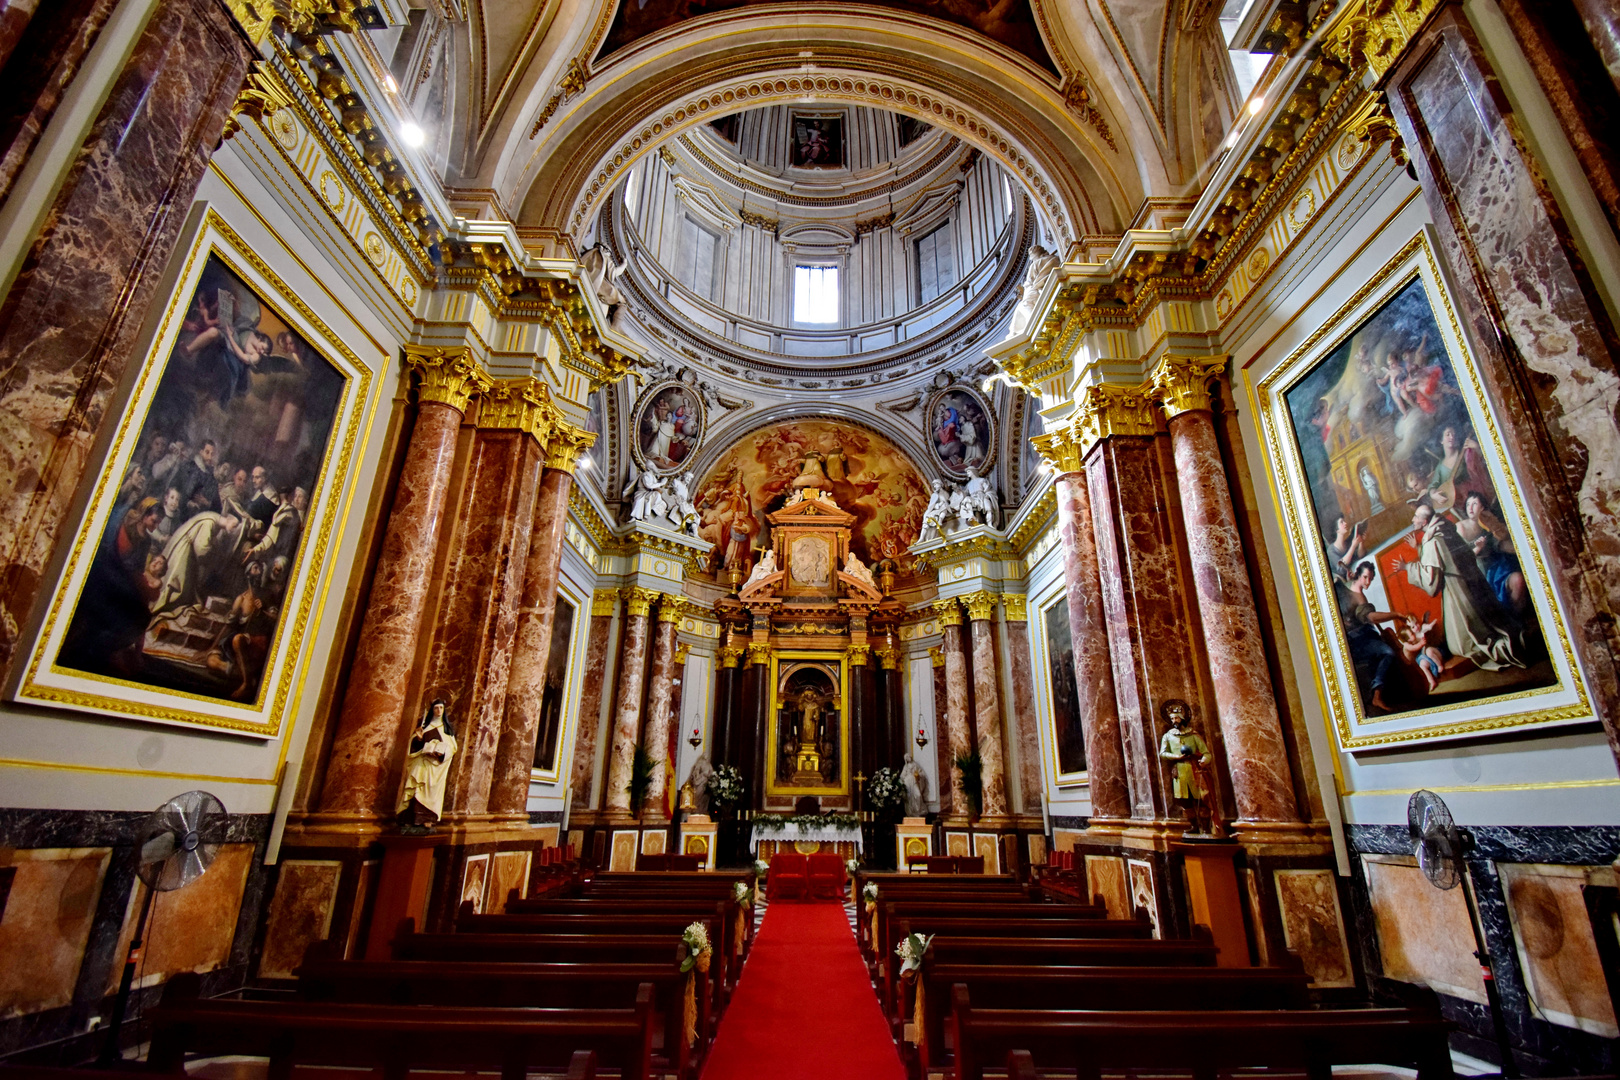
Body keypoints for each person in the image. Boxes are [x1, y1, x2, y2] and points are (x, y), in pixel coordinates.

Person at [1390, 504, 1525, 672]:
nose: (1413, 519)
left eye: (1416, 517)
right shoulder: (1446, 530)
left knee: (1461, 645)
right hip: (1473, 583)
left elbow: (1431, 582)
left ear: (1424, 521)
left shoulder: (1433, 541)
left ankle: (1502, 649)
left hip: (1459, 591)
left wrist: (1407, 568)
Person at [1339, 561, 1403, 713]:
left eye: (1371, 579)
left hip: (1360, 637)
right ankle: (1377, 695)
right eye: (1365, 577)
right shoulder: (1354, 595)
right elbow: (1372, 617)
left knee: (1385, 651)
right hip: (1355, 640)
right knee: (1388, 652)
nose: (1368, 582)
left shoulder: (1344, 586)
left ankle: (1378, 695)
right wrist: (1396, 615)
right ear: (1358, 575)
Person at [398, 699, 458, 829]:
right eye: (436, 708)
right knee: (416, 788)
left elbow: (452, 748)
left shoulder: (446, 730)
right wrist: (418, 739)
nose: (439, 711)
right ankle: (411, 817)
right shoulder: (425, 727)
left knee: (430, 791)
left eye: (441, 708)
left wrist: (440, 753)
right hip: (421, 763)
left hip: (435, 767)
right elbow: (411, 747)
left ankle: (427, 818)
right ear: (432, 710)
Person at [1157, 700, 1214, 835]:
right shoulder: (1168, 736)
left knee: (1201, 799)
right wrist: (1176, 757)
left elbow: (1206, 752)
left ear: (1182, 718)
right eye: (1171, 718)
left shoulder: (1193, 735)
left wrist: (1203, 761)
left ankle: (1206, 827)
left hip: (1194, 769)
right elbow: (1163, 753)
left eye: (1176, 718)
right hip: (1180, 772)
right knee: (1185, 801)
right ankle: (1194, 826)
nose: (1174, 720)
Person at [900, 753, 929, 818]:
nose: (908, 758)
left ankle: (918, 811)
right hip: (908, 783)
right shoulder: (906, 767)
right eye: (906, 757)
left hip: (914, 782)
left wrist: (918, 775)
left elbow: (922, 773)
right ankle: (911, 812)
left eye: (908, 756)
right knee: (909, 797)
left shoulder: (915, 765)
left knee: (918, 795)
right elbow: (902, 776)